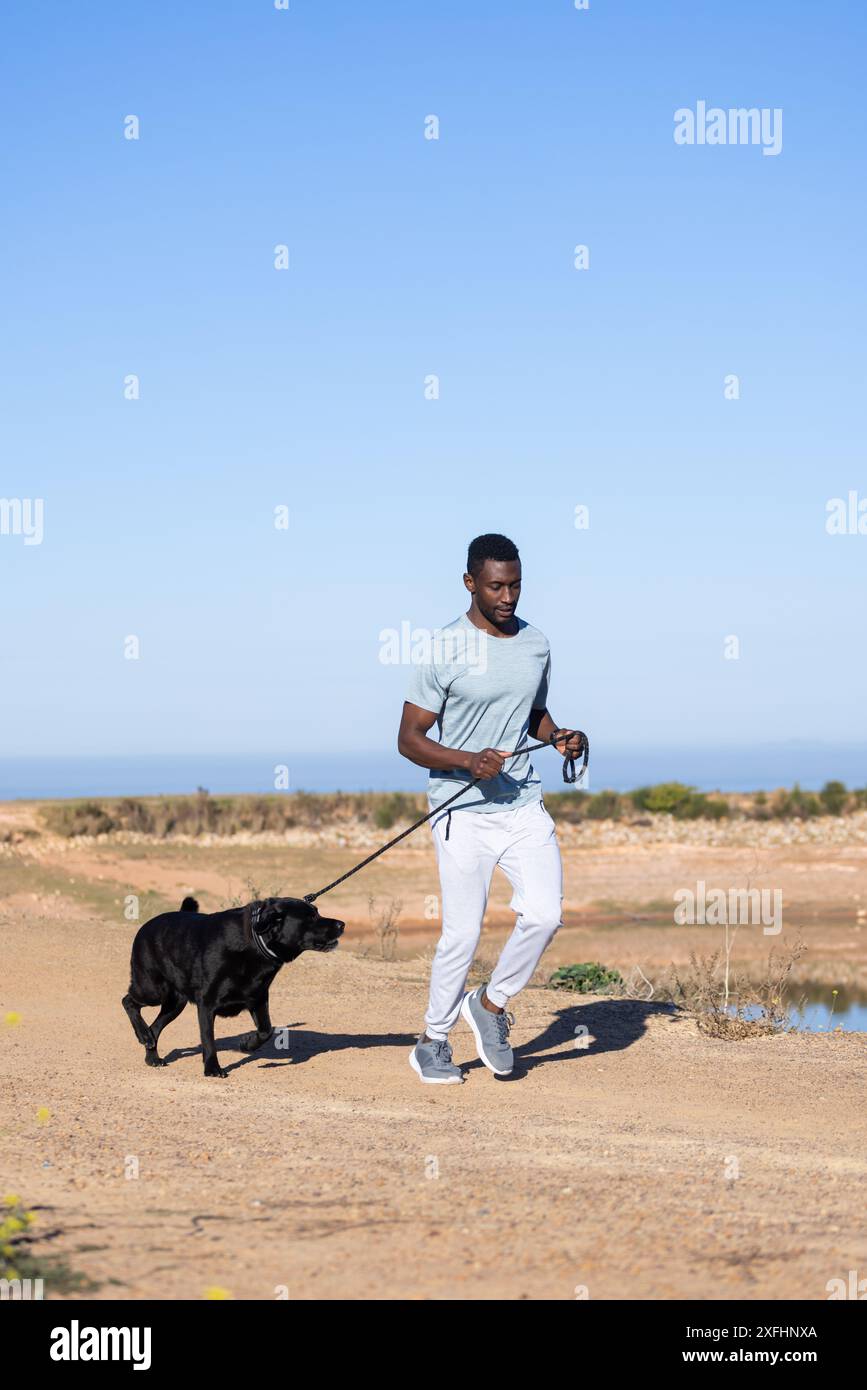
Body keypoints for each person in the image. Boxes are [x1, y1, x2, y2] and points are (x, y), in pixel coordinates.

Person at [398, 533, 584, 1083]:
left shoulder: (537, 644)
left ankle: (491, 1005)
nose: (508, 597)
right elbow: (409, 738)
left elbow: (535, 713)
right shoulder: (444, 647)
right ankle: (432, 1042)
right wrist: (465, 761)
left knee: (545, 914)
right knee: (461, 934)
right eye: (497, 586)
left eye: (516, 585)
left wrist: (559, 737)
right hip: (462, 812)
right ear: (470, 583)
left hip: (523, 804)